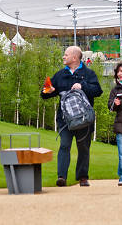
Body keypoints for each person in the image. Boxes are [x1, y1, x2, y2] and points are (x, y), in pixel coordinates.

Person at [41, 46, 103, 187]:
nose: (63, 57)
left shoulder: (89, 74)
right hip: (65, 120)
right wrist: (48, 91)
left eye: (66, 54)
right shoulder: (59, 75)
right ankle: (61, 177)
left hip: (84, 119)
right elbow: (45, 94)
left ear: (74, 58)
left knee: (83, 148)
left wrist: (83, 86)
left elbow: (98, 91)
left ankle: (82, 178)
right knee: (64, 145)